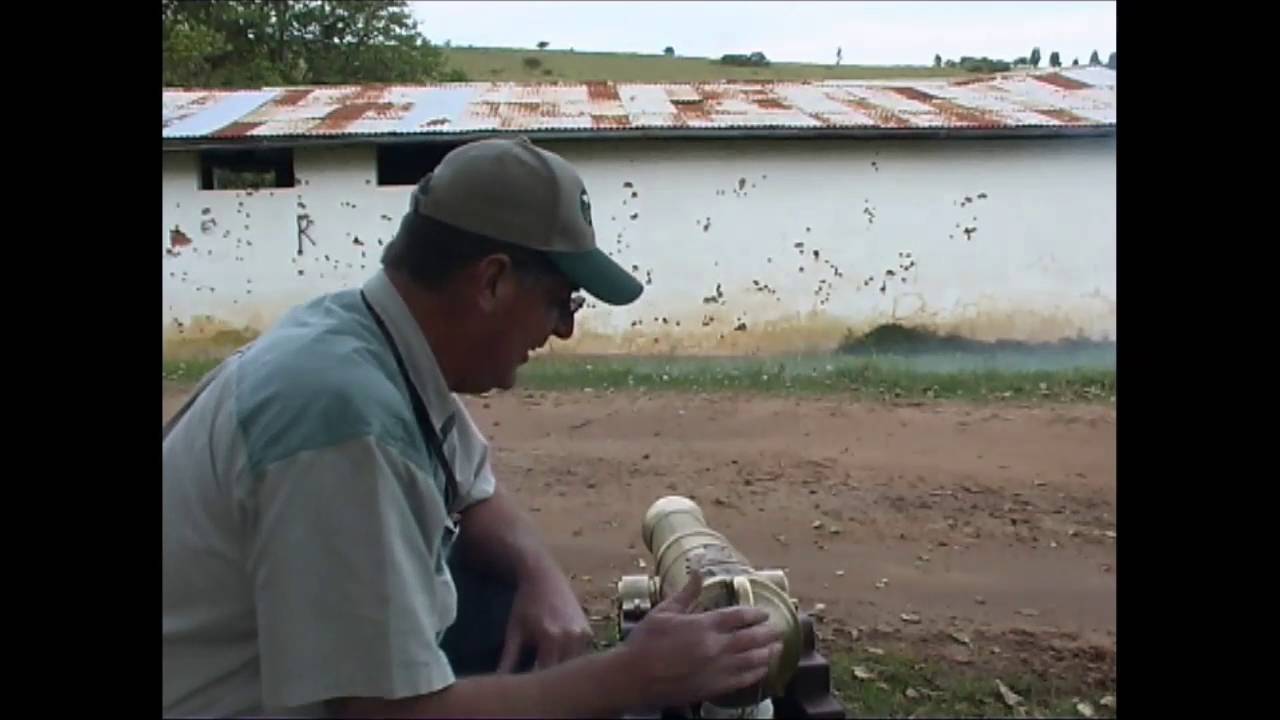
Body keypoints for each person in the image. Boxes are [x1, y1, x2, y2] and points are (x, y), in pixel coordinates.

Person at [162, 137, 782, 718]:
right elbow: (385, 714)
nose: (563, 330)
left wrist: (539, 575)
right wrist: (633, 675)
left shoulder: (363, 342)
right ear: (491, 282)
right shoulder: (344, 416)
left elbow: (474, 489)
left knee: (491, 591)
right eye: (562, 301)